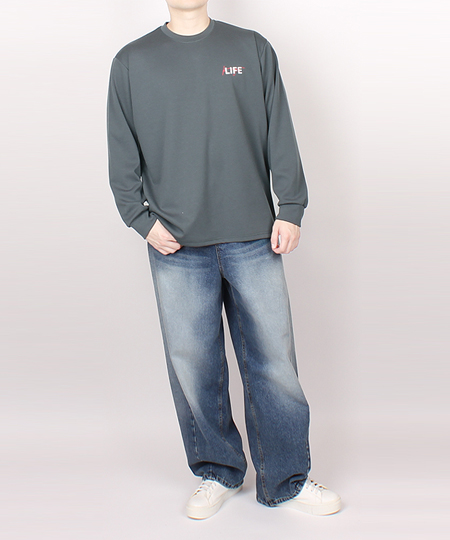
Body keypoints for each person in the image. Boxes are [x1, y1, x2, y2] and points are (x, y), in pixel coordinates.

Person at [106, 0, 341, 520]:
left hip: (254, 235)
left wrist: (292, 206)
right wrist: (141, 220)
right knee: (194, 365)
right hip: (176, 244)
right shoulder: (132, 62)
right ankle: (217, 470)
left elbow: (279, 129)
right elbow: (121, 150)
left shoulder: (250, 48)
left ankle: (286, 479)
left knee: (274, 363)